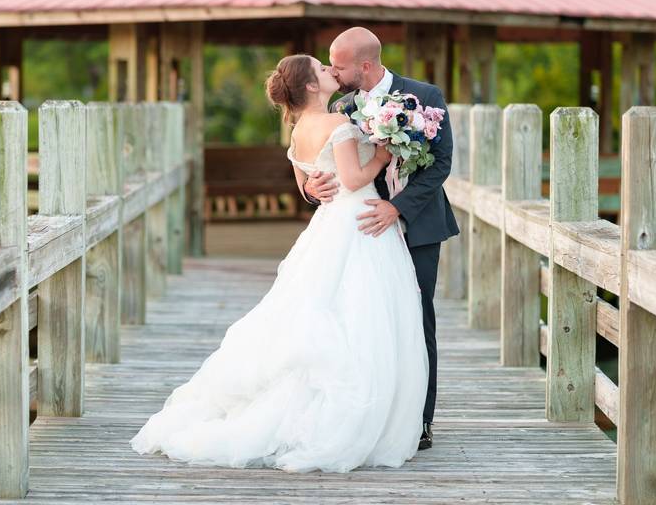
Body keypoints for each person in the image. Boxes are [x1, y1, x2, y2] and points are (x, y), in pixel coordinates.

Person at [130, 54, 428, 473]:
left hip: (330, 223)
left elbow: (307, 182)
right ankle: (354, 418)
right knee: (362, 313)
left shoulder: (298, 131)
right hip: (357, 221)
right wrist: (381, 155)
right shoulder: (335, 124)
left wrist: (315, 186)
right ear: (310, 86)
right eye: (322, 70)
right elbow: (355, 180)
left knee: (327, 308)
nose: (329, 71)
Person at [303, 27, 459, 450]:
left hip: (418, 226)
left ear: (365, 65)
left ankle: (419, 422)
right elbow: (322, 165)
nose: (333, 70)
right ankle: (376, 417)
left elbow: (440, 164)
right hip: (363, 233)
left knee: (417, 319)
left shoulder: (424, 96)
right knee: (365, 321)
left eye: (339, 64)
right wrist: (310, 189)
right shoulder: (341, 108)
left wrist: (398, 208)